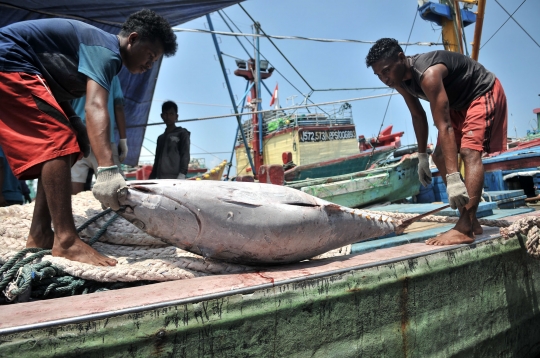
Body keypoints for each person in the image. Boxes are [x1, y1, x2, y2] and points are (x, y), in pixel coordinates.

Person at [0, 9, 177, 266]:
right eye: (150, 56)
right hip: (8, 58)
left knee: (72, 143)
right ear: (133, 39)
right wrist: (107, 169)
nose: (150, 64)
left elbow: (50, 83)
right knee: (59, 142)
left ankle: (40, 233)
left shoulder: (99, 54)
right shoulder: (107, 52)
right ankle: (67, 241)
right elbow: (95, 106)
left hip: (20, 64)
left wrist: (74, 122)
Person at [366, 38, 507, 246]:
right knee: (438, 156)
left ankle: (465, 227)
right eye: (379, 75)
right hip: (457, 105)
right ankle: (471, 220)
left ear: (401, 58)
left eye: (386, 71)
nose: (384, 79)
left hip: (481, 93)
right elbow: (417, 116)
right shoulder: (398, 81)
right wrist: (422, 157)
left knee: (469, 152)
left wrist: (453, 178)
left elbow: (445, 126)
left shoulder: (428, 74)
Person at [71, 75, 127, 195]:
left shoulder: (74, 68)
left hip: (77, 138)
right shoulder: (112, 74)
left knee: (74, 187)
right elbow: (118, 106)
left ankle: (73, 213)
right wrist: (123, 139)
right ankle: (115, 212)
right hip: (103, 138)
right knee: (115, 189)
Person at [149, 101, 191, 180]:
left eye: (171, 114)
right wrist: (151, 178)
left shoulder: (182, 133)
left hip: (176, 177)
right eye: (165, 114)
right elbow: (157, 160)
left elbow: (185, 155)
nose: (168, 117)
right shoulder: (160, 138)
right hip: (161, 178)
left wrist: (182, 174)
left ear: (176, 116)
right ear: (162, 116)